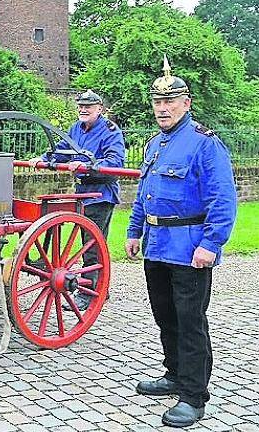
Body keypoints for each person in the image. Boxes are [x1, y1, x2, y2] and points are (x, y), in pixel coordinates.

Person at [125, 59, 236, 428]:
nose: (163, 108)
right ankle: (173, 374)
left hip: (190, 249)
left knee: (190, 322)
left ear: (186, 103)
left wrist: (212, 244)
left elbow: (223, 201)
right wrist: (134, 230)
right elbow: (145, 191)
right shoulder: (154, 144)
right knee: (165, 317)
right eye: (157, 102)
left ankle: (193, 396)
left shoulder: (206, 144)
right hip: (157, 246)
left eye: (170, 101)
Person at [28, 89, 125, 310]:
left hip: (101, 194)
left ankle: (91, 292)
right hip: (81, 193)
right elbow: (63, 150)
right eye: (80, 106)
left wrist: (87, 167)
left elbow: (115, 163)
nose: (83, 109)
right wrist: (43, 159)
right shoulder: (76, 128)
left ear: (99, 109)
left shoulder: (111, 131)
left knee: (92, 245)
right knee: (82, 238)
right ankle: (99, 287)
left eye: (88, 106)